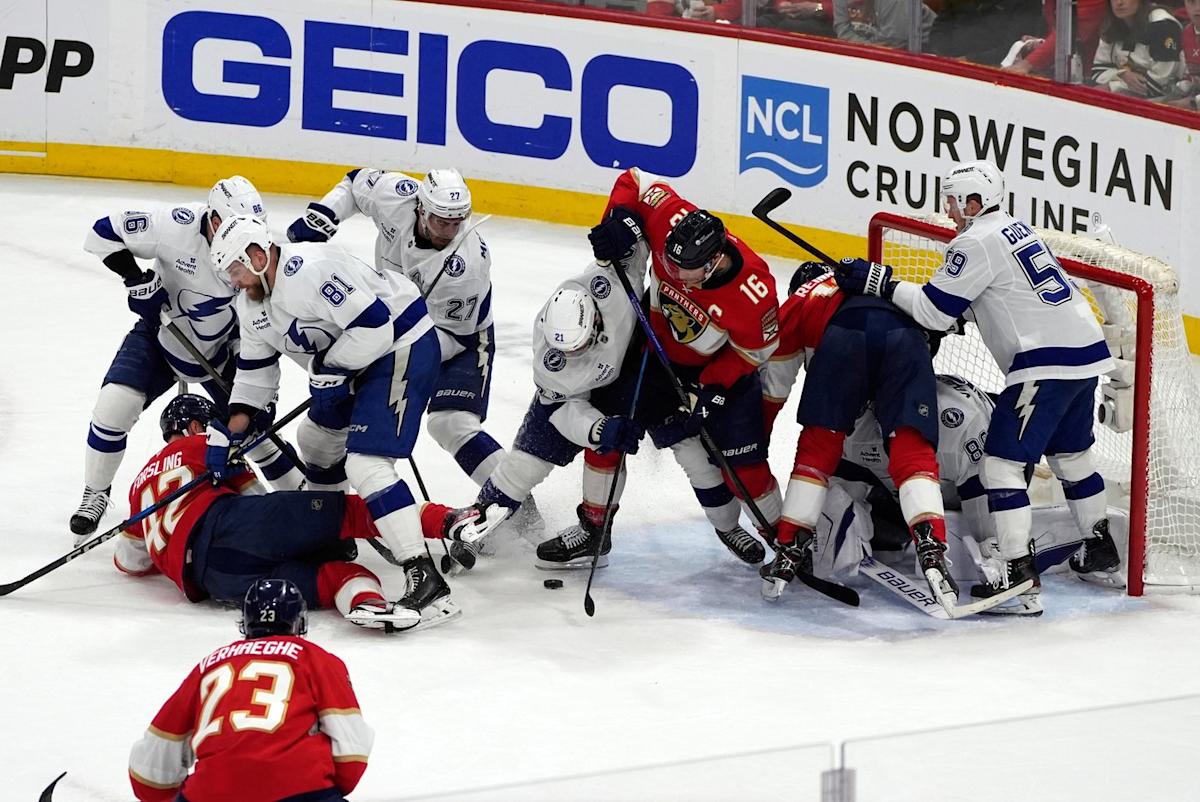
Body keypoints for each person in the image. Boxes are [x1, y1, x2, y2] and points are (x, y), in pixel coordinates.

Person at [833, 159, 1121, 608]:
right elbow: (998, 296)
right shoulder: (1013, 229)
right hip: (1084, 355)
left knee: (1000, 468)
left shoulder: (974, 241)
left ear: (973, 202)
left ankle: (1014, 569)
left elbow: (932, 310)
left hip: (1042, 362)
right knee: (1072, 457)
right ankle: (1099, 544)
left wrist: (880, 281)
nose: (948, 209)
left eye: (952, 199)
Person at [208, 215, 499, 626]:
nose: (233, 281)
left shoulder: (310, 271)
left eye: (235, 270)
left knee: (366, 462)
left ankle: (423, 573)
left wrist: (332, 367)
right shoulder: (250, 303)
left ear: (256, 256)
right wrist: (229, 428)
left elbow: (375, 325)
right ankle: (331, 537)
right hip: (353, 366)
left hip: (402, 347)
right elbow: (255, 373)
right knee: (315, 441)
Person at [460, 244, 761, 571]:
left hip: (652, 369)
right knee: (526, 464)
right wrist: (599, 428)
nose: (576, 354)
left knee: (694, 455)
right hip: (584, 397)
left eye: (582, 344)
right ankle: (493, 526)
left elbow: (640, 238)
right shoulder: (551, 359)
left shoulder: (610, 286)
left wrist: (621, 224)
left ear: (594, 318)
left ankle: (728, 525)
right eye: (569, 350)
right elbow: (564, 410)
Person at [116, 394, 484, 631]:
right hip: (235, 526)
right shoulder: (203, 445)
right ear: (197, 426)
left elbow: (129, 562)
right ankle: (450, 521)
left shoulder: (137, 489)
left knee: (331, 577)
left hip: (212, 581)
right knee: (352, 511)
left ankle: (368, 604)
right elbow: (254, 496)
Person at [72, 177, 302, 542]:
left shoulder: (260, 247)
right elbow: (103, 232)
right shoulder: (172, 225)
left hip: (227, 347)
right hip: (163, 336)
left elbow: (270, 314)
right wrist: (136, 280)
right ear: (212, 220)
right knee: (115, 404)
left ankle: (304, 504)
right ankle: (95, 492)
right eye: (229, 227)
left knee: (256, 431)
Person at [286, 168, 516, 502]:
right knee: (350, 410)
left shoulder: (464, 267)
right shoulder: (397, 195)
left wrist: (378, 356)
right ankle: (329, 507)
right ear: (420, 208)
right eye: (441, 222)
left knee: (450, 424)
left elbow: (442, 336)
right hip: (391, 324)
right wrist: (325, 214)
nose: (450, 232)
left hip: (459, 340)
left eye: (457, 222)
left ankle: (515, 506)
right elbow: (355, 182)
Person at [587, 168, 782, 553]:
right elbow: (635, 180)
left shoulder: (754, 292)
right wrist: (619, 219)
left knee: (741, 465)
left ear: (713, 263)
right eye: (669, 265)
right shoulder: (670, 219)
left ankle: (786, 539)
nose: (671, 275)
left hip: (718, 371)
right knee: (607, 429)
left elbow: (755, 351)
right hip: (652, 352)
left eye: (682, 271)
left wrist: (715, 386)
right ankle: (594, 527)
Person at [758, 261, 961, 611]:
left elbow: (774, 389)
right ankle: (931, 545)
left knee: (818, 445)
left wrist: (754, 438)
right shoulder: (874, 280)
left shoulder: (799, 302)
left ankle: (790, 547)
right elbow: (937, 322)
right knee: (911, 445)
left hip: (843, 338)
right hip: (904, 339)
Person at [129, 578, 374, 802]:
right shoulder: (315, 659)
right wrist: (327, 788)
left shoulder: (210, 664)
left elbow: (151, 771)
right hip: (300, 789)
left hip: (211, 793)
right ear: (299, 621)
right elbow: (351, 754)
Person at [1090, 0, 1184, 101]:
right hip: (1127, 95)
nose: (1119, 2)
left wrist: (1114, 86)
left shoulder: (1163, 25)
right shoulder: (1112, 24)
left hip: (1168, 101)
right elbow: (1098, 72)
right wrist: (1123, 74)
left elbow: (1160, 85)